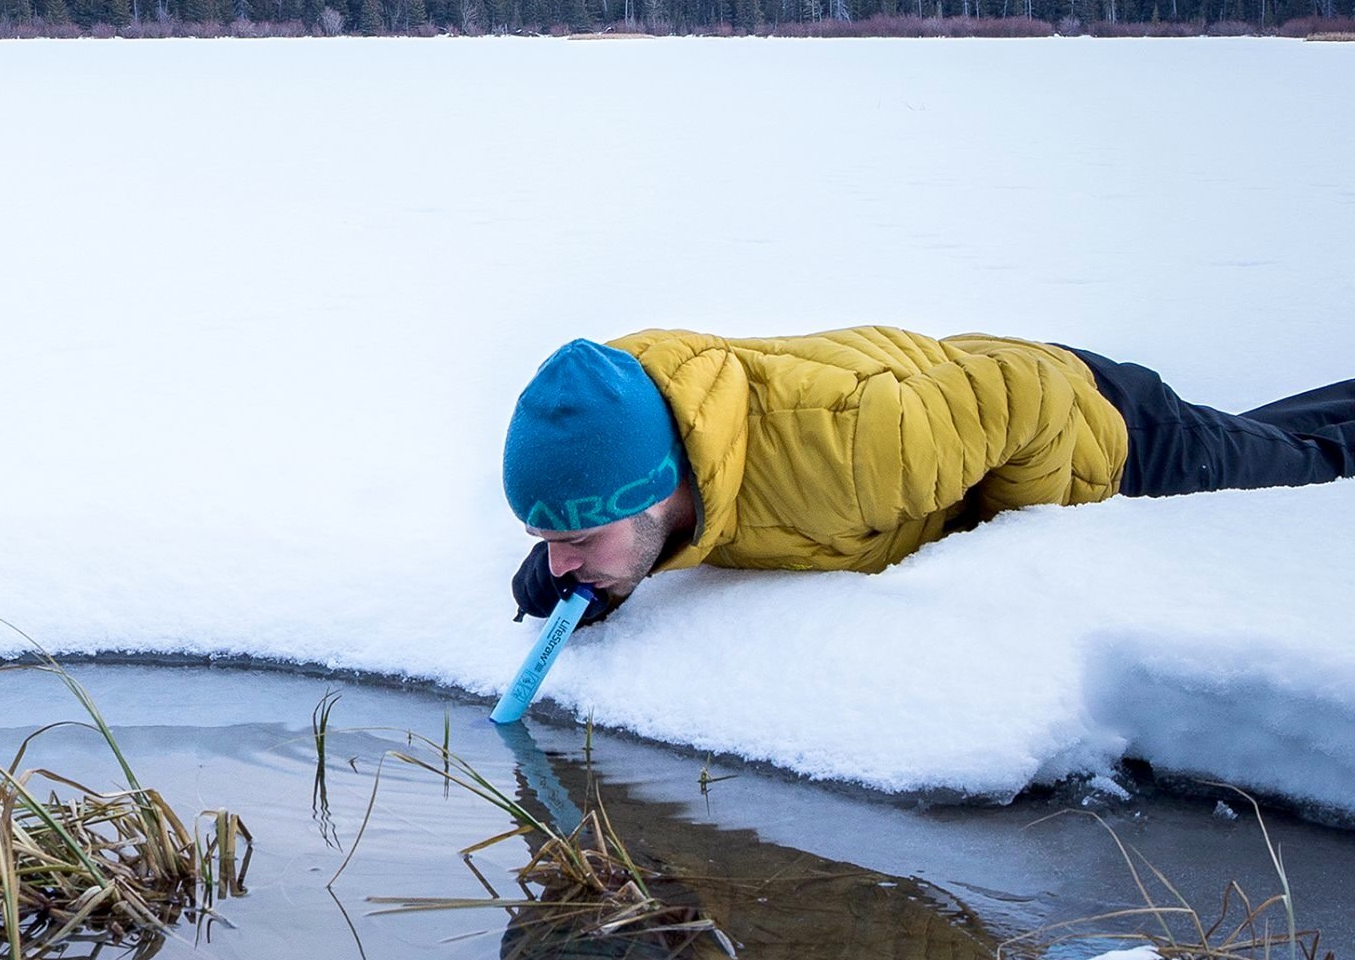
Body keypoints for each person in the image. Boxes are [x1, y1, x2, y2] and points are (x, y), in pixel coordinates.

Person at [505, 327, 1355, 624]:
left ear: (654, 490)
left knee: (1309, 469)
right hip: (958, 402)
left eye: (577, 540)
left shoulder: (849, 457)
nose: (563, 560)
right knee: (1278, 434)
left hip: (1106, 431)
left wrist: (1015, 539)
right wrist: (581, 569)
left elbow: (1031, 397)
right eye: (552, 542)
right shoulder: (633, 433)